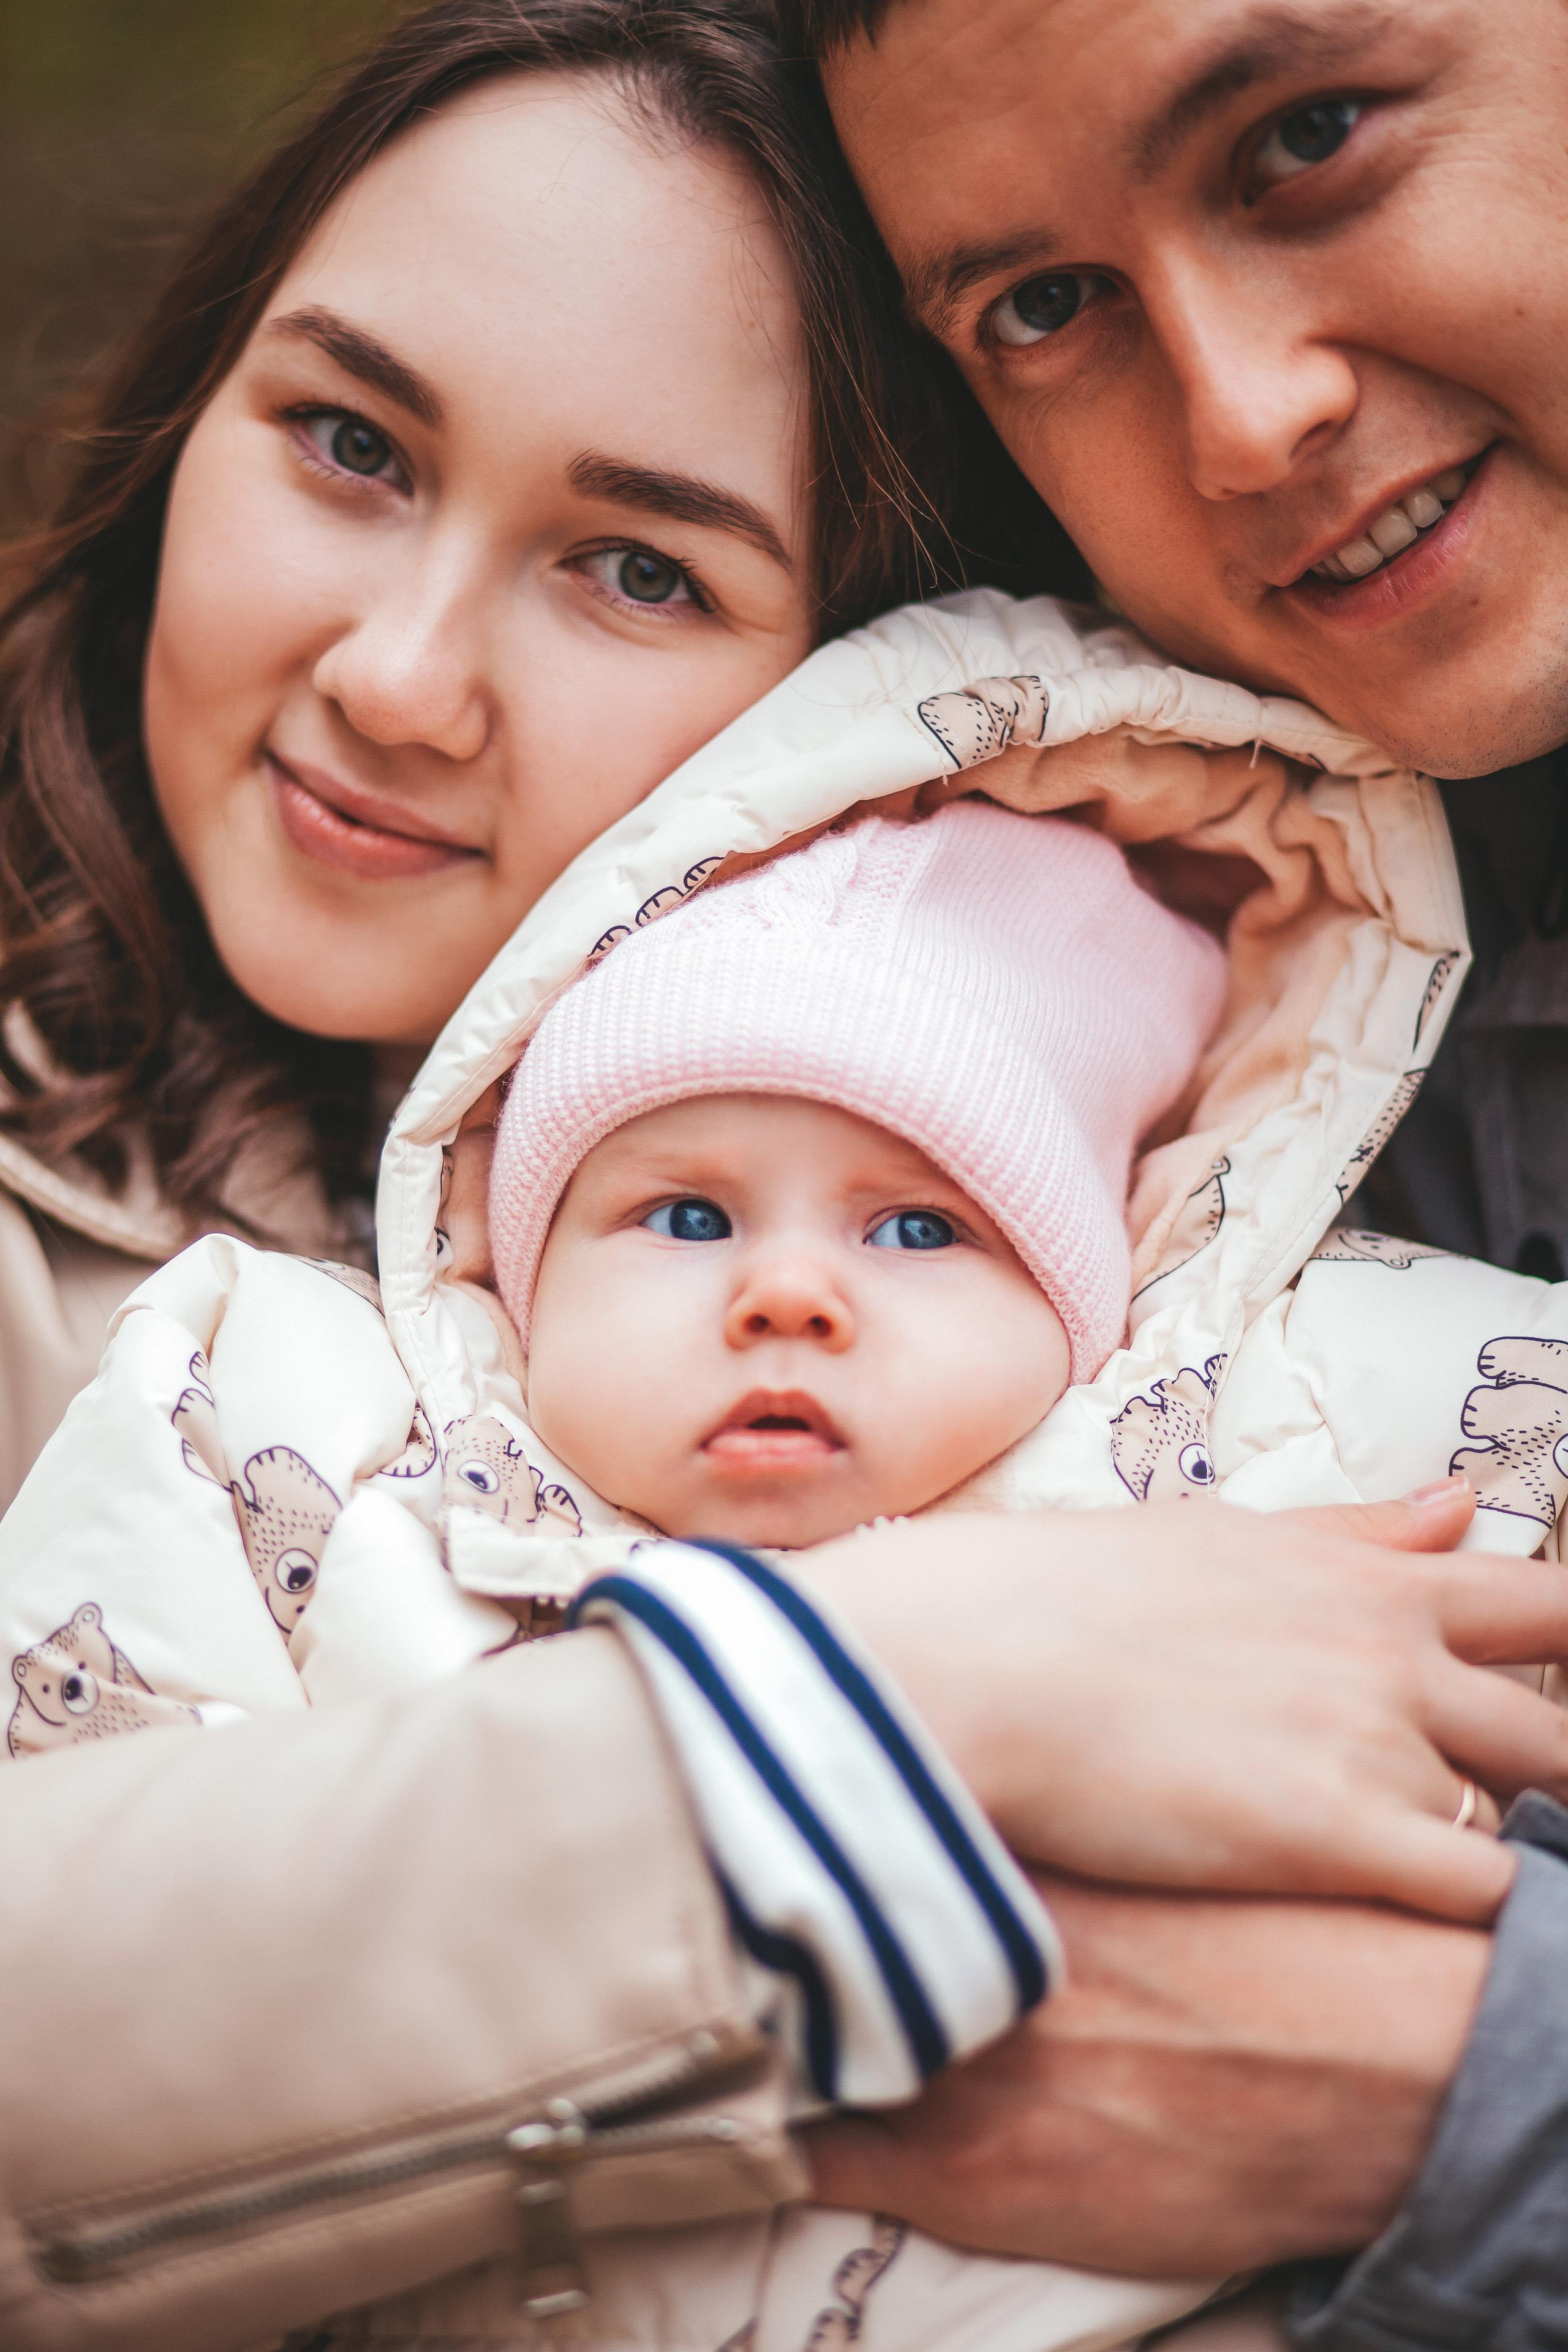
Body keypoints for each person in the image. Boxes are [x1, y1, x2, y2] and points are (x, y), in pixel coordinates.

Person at [1, 1, 1564, 2345]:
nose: (399, 680)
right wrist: (883, 1697)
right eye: (346, 440)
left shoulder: (1229, 1272)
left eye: (640, 568)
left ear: (887, 707)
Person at [774, 0, 1568, 2340]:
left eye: (1307, 138)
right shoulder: (1160, 977)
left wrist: (1451, 2092)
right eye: (1045, 308)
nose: (1241, 417)